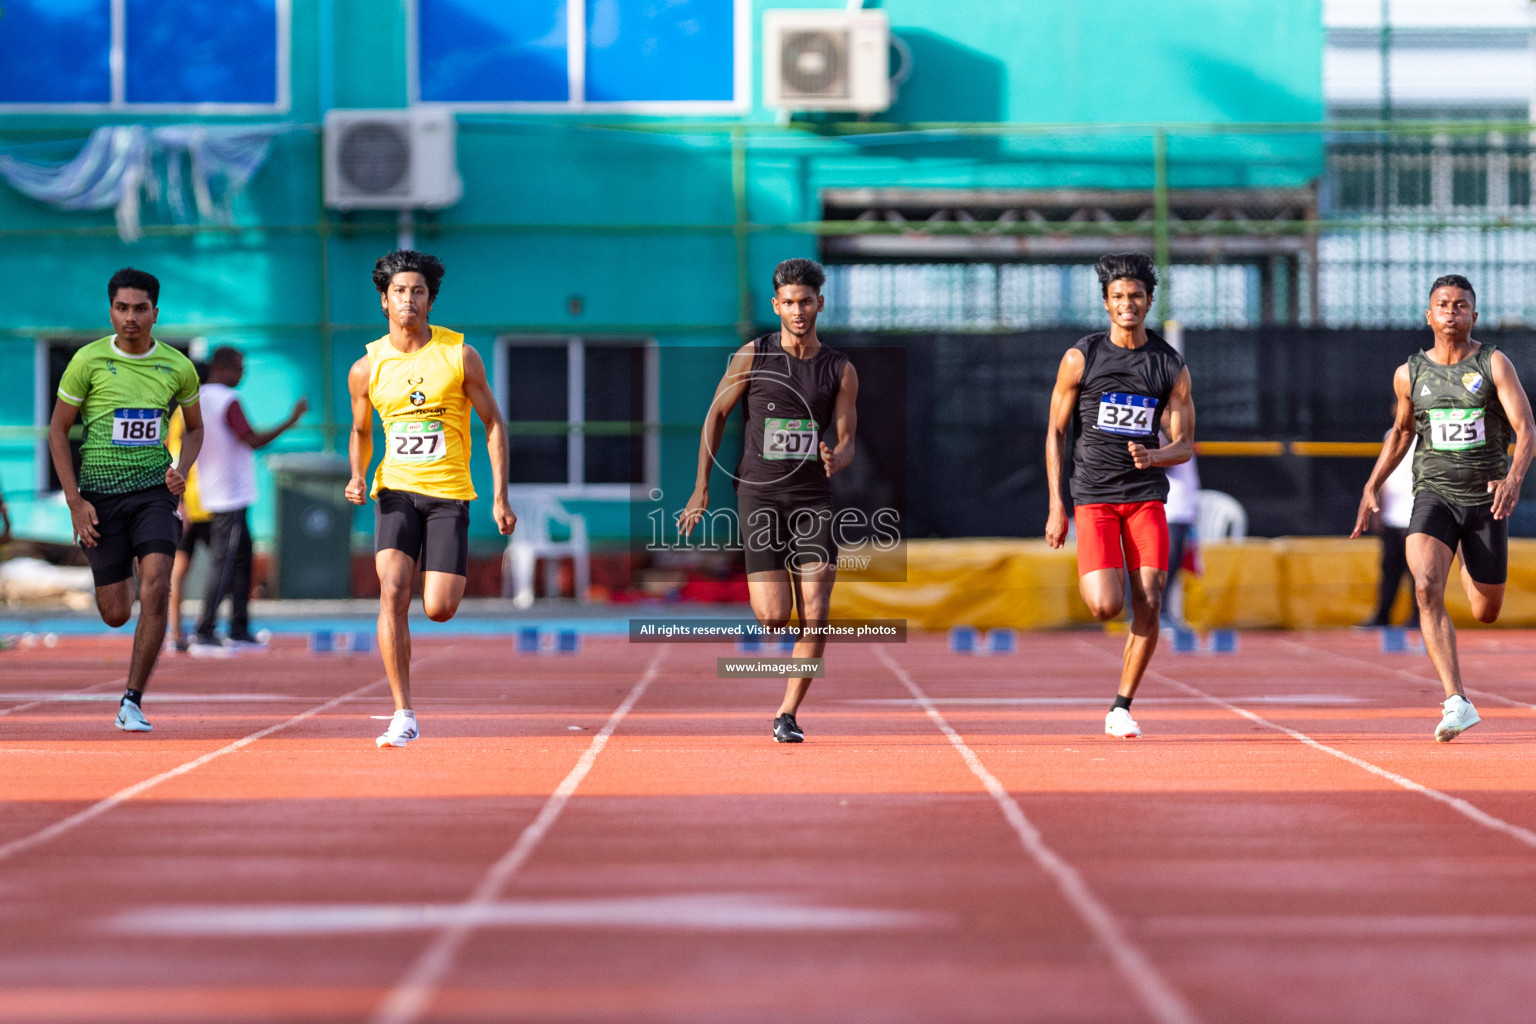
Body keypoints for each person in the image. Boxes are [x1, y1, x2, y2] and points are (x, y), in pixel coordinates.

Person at [679, 257, 859, 744]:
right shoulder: (753, 355)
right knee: (773, 615)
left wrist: (836, 456)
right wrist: (702, 488)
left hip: (812, 501)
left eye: (807, 302)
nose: (798, 311)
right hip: (758, 495)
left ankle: (787, 713)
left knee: (817, 611)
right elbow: (715, 416)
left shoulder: (839, 370)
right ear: (776, 306)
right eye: (790, 303)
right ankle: (782, 676)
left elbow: (846, 439)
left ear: (820, 304)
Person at [345, 250, 516, 748]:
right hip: (395, 491)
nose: (409, 300)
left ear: (431, 300)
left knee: (439, 607)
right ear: (384, 301)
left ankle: (407, 700)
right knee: (393, 591)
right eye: (399, 291)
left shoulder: (458, 355)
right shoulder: (367, 366)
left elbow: (494, 424)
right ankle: (403, 712)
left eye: (418, 291)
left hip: (448, 497)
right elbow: (360, 430)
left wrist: (500, 497)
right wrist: (358, 474)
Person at [1353, 274, 1534, 742]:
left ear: (1474, 314)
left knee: (1485, 610)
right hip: (1432, 494)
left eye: (1460, 305)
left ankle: (1469, 563)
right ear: (1428, 315)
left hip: (1486, 499)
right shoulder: (1409, 372)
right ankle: (1457, 700)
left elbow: (1526, 429)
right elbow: (1402, 431)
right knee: (1426, 587)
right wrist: (1373, 483)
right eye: (1443, 304)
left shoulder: (1493, 364)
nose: (1451, 312)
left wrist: (1513, 478)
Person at [1045, 253, 1195, 739]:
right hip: (1093, 497)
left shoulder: (1168, 365)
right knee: (1106, 607)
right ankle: (1099, 569)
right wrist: (1056, 506)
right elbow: (1055, 432)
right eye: (1118, 297)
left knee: (1149, 599)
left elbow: (1184, 445)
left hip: (1146, 496)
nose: (1127, 304)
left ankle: (1121, 706)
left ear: (1149, 301)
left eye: (1135, 296)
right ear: (1106, 303)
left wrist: (1156, 456)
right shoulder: (1081, 358)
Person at [47, 267, 203, 732]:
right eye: (121, 308)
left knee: (158, 584)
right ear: (111, 311)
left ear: (156, 313)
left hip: (154, 493)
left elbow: (195, 429)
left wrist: (182, 469)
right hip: (98, 498)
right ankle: (124, 582)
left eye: (139, 309)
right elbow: (57, 431)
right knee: (116, 613)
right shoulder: (87, 361)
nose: (130, 317)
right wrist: (75, 501)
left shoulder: (177, 366)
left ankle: (131, 700)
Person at [188, 346, 308, 654]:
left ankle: (239, 628)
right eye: (240, 368)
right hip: (230, 493)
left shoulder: (199, 397)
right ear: (223, 367)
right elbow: (251, 439)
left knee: (241, 562)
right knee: (225, 562)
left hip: (216, 488)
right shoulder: (227, 400)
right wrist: (290, 421)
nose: (243, 374)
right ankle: (205, 630)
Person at [165, 398, 213, 652]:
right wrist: (180, 501)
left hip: (204, 502)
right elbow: (173, 457)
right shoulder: (185, 416)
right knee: (180, 570)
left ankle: (197, 627)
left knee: (220, 568)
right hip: (196, 503)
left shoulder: (184, 415)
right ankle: (178, 632)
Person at [1361, 425, 1419, 630]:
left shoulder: (1431, 433)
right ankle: (1382, 615)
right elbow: (1384, 473)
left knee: (1418, 571)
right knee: (1389, 570)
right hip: (1392, 516)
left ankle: (1418, 617)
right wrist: (1378, 508)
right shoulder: (1391, 434)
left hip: (1416, 514)